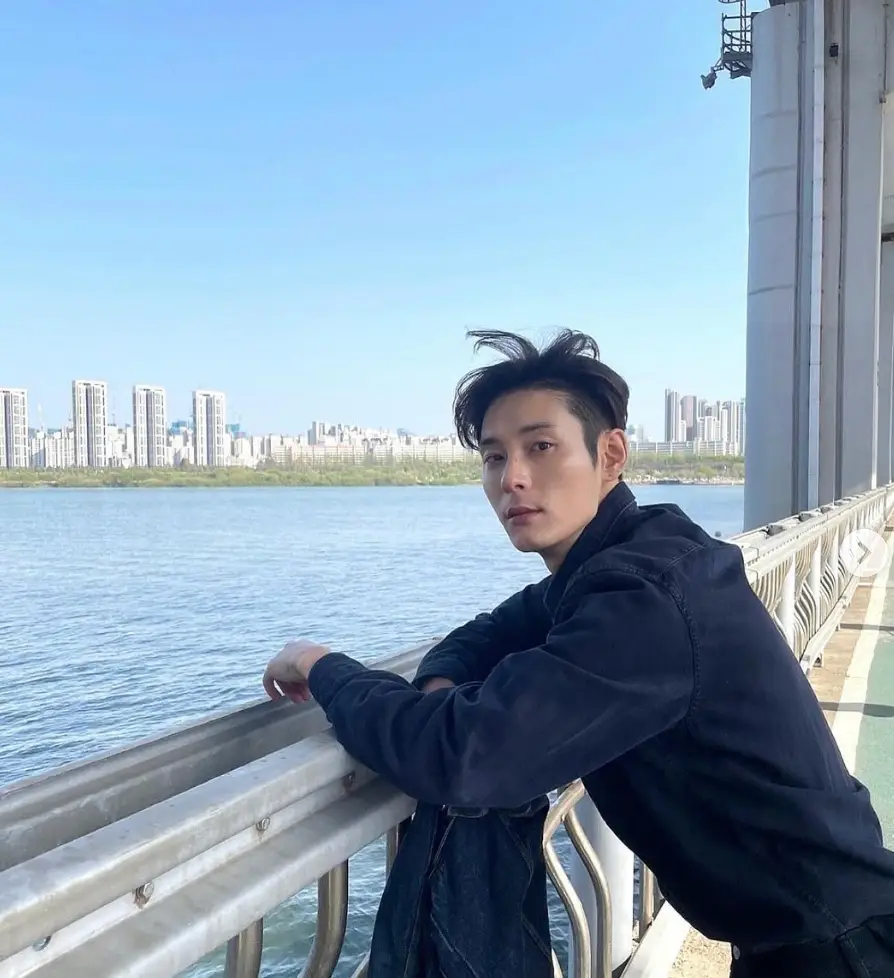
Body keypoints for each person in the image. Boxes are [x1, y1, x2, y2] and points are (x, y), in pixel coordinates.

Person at [263, 329, 894, 978]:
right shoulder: (623, 561)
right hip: (809, 928)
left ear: (610, 454)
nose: (512, 478)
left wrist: (321, 666)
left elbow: (465, 756)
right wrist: (439, 683)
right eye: (494, 456)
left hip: (841, 951)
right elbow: (491, 631)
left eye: (541, 447)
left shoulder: (645, 597)